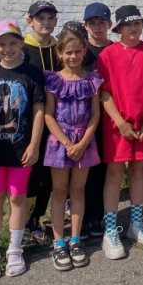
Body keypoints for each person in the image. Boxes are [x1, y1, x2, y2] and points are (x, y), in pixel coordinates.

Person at [0, 19, 45, 281]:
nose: (7, 48)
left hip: (21, 150)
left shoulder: (31, 74)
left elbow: (38, 111)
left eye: (13, 43)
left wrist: (34, 144)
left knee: (17, 198)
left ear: (21, 43)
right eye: (1, 44)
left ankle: (14, 249)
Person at [97, 5, 143, 259]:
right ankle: (111, 229)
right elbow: (104, 92)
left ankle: (136, 223)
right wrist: (120, 123)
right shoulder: (108, 55)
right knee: (114, 174)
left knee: (139, 172)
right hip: (116, 127)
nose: (133, 28)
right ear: (119, 29)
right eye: (128, 25)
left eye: (137, 24)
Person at [43, 28, 102, 270]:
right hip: (60, 142)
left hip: (84, 142)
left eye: (78, 51)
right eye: (68, 52)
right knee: (59, 192)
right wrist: (67, 143)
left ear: (84, 51)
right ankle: (59, 242)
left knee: (78, 191)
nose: (73, 56)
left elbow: (95, 116)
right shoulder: (53, 80)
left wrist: (83, 142)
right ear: (60, 54)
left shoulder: (92, 80)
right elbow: (48, 115)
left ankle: (75, 239)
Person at [23, 0, 61, 244]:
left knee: (47, 175)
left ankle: (37, 219)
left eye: (50, 18)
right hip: (29, 121)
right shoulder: (23, 50)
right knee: (30, 173)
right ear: (30, 22)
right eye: (40, 18)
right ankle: (24, 223)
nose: (45, 23)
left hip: (56, 121)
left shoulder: (59, 49)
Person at [81, 2, 112, 239]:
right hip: (84, 121)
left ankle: (99, 216)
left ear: (109, 25)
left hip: (110, 121)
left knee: (103, 169)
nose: (97, 27)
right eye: (92, 23)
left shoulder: (115, 49)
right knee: (86, 170)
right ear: (86, 26)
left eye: (101, 23)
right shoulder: (81, 53)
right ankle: (85, 216)